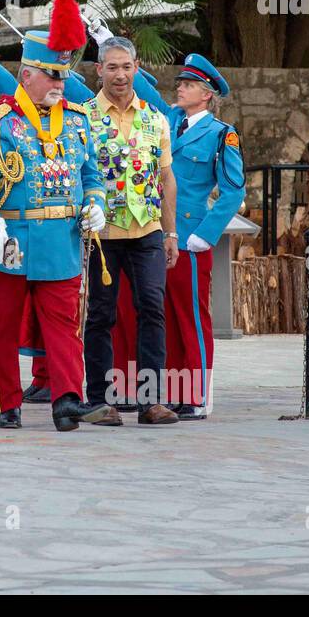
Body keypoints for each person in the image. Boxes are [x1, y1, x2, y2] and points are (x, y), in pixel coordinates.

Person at [0, 0, 114, 431]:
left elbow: (92, 175)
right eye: (51, 76)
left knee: (64, 326)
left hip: (61, 240)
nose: (60, 83)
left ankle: (67, 399)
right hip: (11, 240)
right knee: (5, 326)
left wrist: (96, 204)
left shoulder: (78, 121)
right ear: (26, 75)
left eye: (63, 76)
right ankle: (7, 401)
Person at [129, 53, 244, 418]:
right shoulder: (170, 120)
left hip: (190, 237)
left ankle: (196, 396)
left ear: (206, 94)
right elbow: (145, 93)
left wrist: (207, 235)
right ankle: (175, 393)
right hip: (156, 231)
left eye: (189, 85)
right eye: (180, 83)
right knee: (161, 314)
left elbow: (233, 191)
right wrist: (126, 61)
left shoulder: (221, 135)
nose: (180, 88)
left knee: (190, 317)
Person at [79, 35, 180, 425]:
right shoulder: (82, 117)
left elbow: (166, 178)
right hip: (103, 237)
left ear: (137, 68)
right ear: (98, 70)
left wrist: (170, 233)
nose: (120, 75)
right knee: (101, 314)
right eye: (112, 67)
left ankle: (151, 402)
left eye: (126, 67)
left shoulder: (155, 118)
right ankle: (99, 401)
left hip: (146, 231)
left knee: (152, 310)